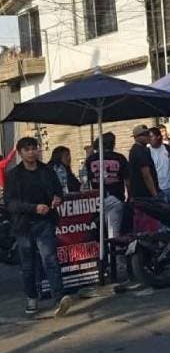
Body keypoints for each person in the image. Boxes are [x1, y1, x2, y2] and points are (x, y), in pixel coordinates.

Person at [6, 138, 72, 317]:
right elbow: (10, 204)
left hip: (45, 222)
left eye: (34, 148)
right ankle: (32, 298)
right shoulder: (14, 175)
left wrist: (58, 199)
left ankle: (59, 298)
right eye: (27, 149)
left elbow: (59, 191)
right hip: (23, 225)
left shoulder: (47, 171)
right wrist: (33, 208)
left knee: (50, 259)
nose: (31, 152)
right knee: (28, 264)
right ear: (20, 153)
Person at [86, 133, 130, 239]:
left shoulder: (91, 159)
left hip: (97, 199)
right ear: (112, 144)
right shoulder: (120, 158)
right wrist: (130, 196)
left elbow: (86, 178)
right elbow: (127, 180)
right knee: (114, 234)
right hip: (116, 197)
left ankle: (105, 253)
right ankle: (115, 254)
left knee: (100, 232)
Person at [149, 127, 170, 206]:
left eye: (151, 137)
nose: (149, 139)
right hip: (158, 188)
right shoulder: (147, 151)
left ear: (158, 137)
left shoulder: (168, 148)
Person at [127, 125, 160, 201]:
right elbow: (146, 175)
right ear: (136, 137)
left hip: (140, 193)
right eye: (144, 134)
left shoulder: (138, 149)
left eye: (148, 134)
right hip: (144, 194)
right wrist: (155, 195)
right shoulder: (140, 151)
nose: (147, 136)